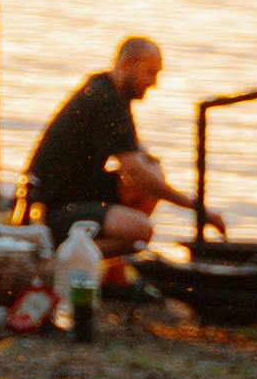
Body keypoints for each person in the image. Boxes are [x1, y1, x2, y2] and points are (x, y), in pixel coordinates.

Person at [25, 34, 174, 260]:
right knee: (141, 231)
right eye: (150, 72)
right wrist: (197, 208)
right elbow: (135, 171)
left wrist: (149, 165)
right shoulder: (106, 100)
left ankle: (101, 257)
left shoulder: (108, 90)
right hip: (51, 209)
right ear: (126, 65)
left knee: (151, 175)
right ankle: (59, 258)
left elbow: (136, 158)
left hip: (78, 192)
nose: (154, 82)